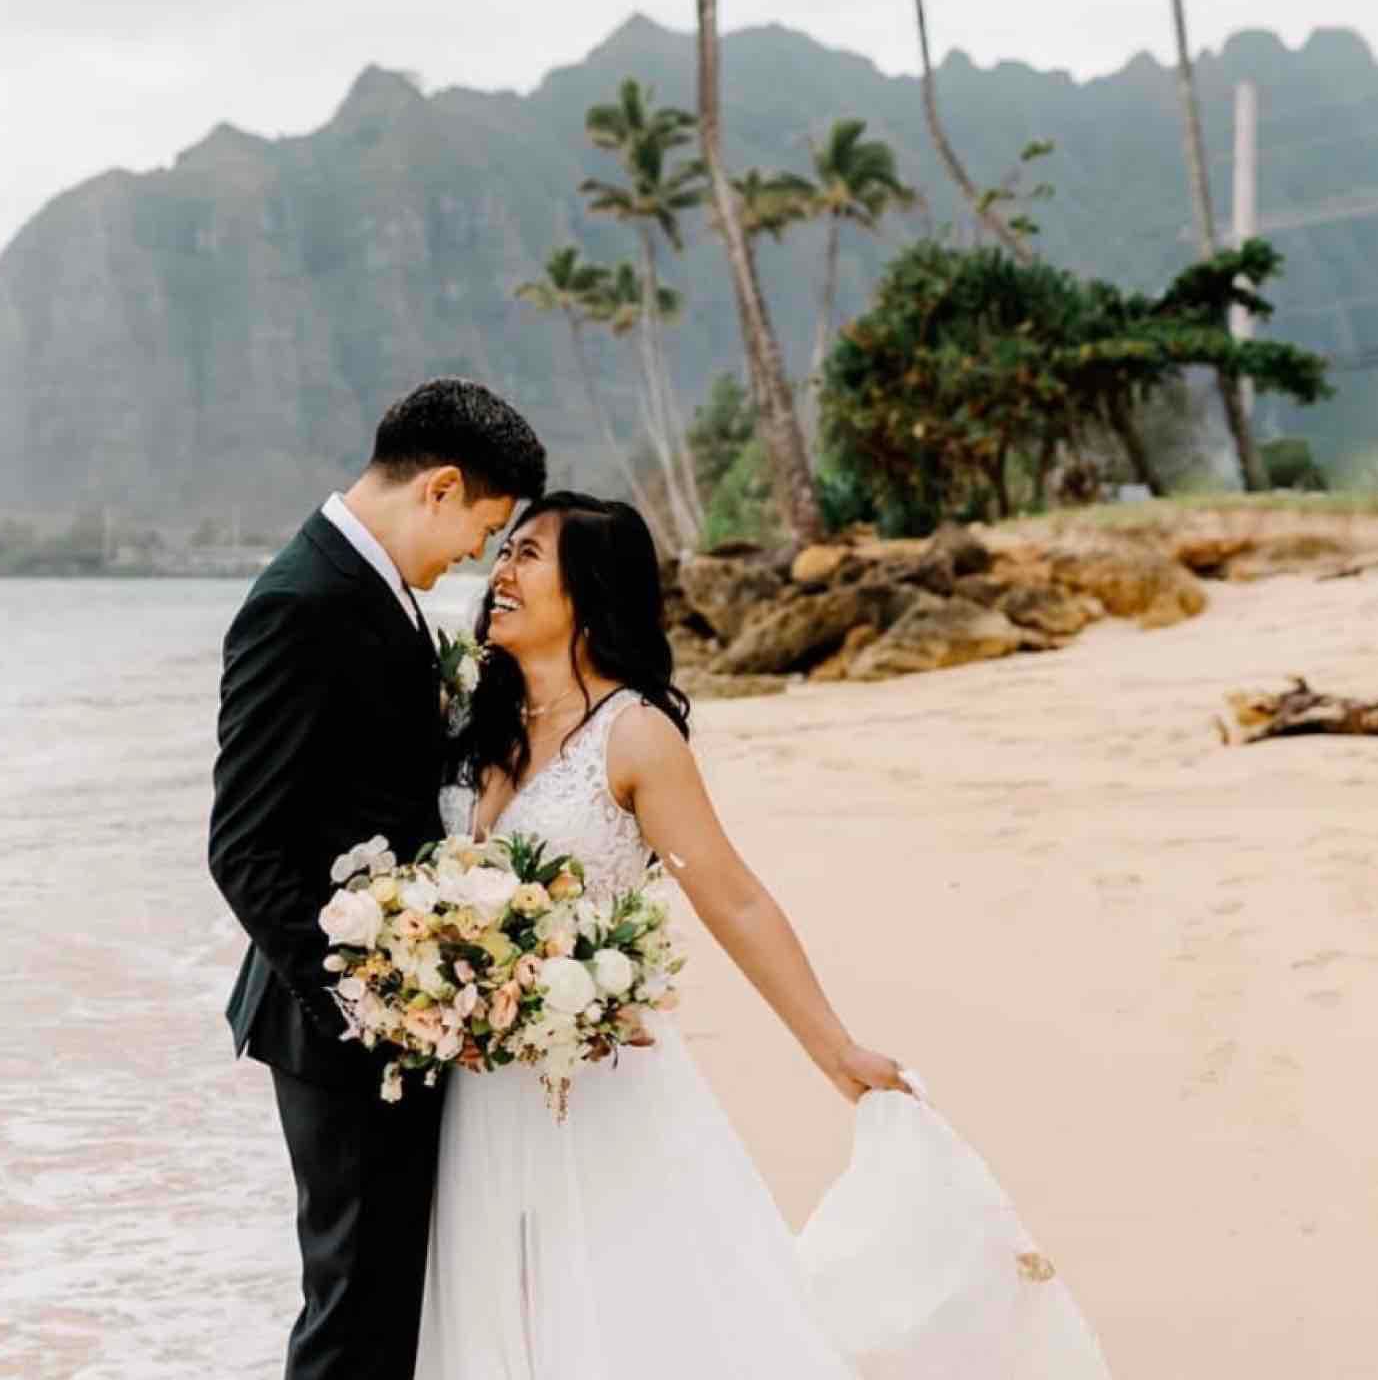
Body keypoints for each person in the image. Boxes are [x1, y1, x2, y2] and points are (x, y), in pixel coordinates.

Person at [416, 493, 959, 1377]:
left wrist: (832, 1046)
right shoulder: (467, 720)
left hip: (598, 1083)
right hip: (474, 1090)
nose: (499, 574)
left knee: (624, 1315)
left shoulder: (635, 734)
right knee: (496, 1313)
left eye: (526, 556)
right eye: (502, 552)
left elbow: (731, 897)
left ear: (588, 591)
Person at [208, 379, 547, 1380]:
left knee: (387, 1295)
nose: (471, 560)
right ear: (439, 487)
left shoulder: (376, 589)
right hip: (340, 1026)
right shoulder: (298, 602)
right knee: (353, 1311)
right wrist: (364, 999)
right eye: (481, 532)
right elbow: (243, 843)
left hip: (391, 1014)